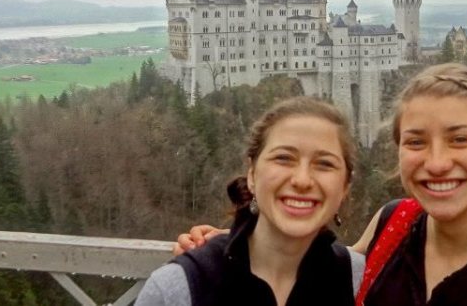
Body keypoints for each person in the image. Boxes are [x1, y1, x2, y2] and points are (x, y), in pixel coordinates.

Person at [177, 64, 467, 306]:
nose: (438, 162)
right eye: (416, 142)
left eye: (461, 139)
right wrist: (228, 250)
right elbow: (314, 266)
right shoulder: (393, 224)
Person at [137, 97, 363, 306]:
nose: (302, 180)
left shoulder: (361, 282)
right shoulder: (177, 290)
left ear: (345, 187)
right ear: (252, 175)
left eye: (324, 164)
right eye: (283, 158)